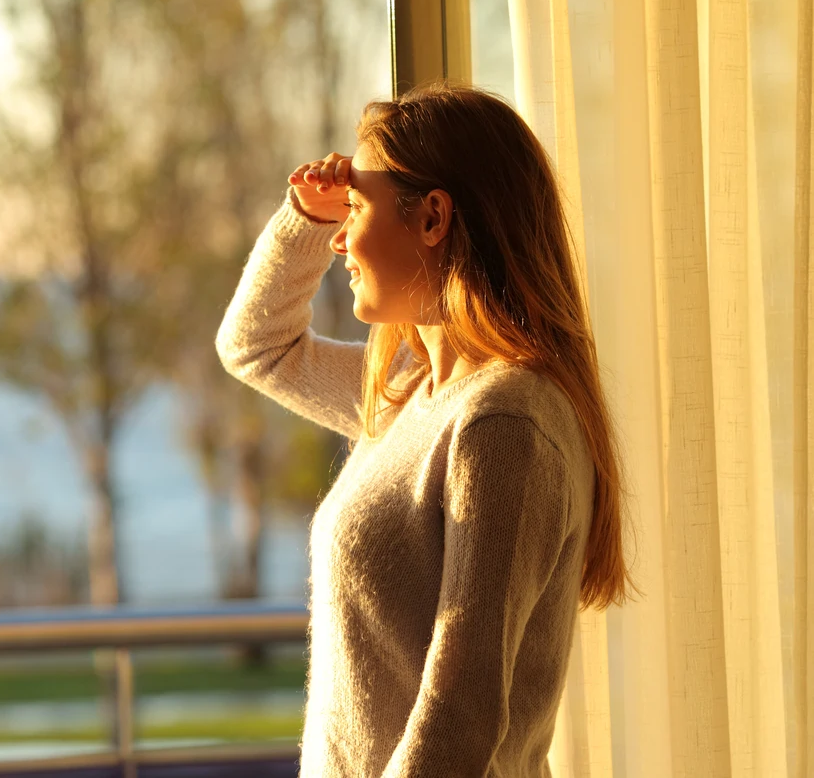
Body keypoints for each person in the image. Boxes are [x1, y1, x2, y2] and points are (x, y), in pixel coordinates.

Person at [215, 80, 638, 777]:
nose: (343, 240)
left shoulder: (503, 421)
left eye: (354, 210)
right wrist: (307, 218)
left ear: (434, 216)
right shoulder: (410, 395)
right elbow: (255, 347)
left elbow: (459, 718)